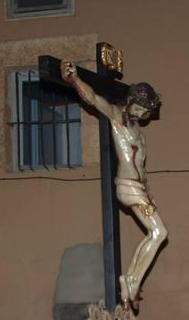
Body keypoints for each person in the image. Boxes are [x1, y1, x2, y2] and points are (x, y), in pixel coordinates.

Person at [62, 60, 165, 306]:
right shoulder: (116, 118)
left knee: (156, 233)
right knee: (160, 232)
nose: (141, 115)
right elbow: (94, 99)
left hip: (139, 189)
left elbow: (142, 167)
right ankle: (131, 280)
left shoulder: (138, 132)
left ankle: (130, 279)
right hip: (127, 187)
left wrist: (149, 193)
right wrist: (74, 78)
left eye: (145, 112)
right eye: (139, 109)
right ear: (130, 102)